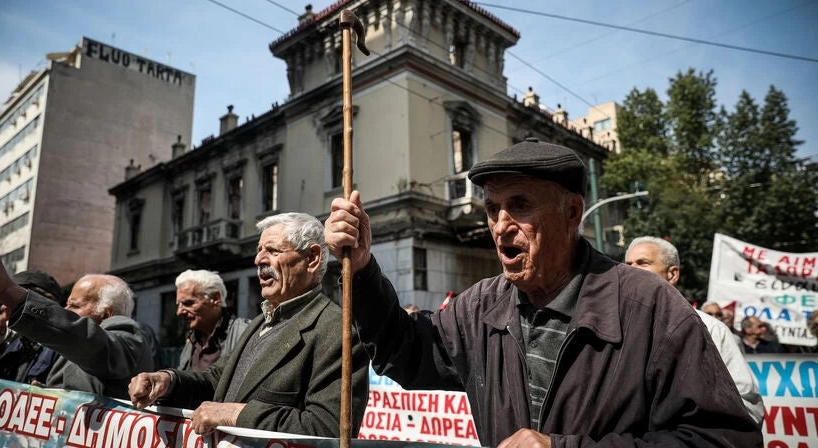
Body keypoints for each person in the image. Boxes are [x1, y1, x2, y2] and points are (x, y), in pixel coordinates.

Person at [325, 138, 761, 447]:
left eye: (519, 205)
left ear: (571, 212)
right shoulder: (480, 306)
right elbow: (405, 352)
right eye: (493, 209)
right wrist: (362, 269)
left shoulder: (648, 306)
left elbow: (722, 438)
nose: (500, 226)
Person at [128, 213, 369, 437]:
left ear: (312, 258)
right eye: (259, 250)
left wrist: (234, 414)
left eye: (273, 251)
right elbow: (216, 380)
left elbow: (328, 428)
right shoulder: (259, 323)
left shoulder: (337, 330)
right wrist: (167, 381)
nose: (258, 259)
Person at [625, 236, 764, 426]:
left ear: (672, 274)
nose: (631, 269)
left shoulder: (712, 330)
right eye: (627, 263)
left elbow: (745, 407)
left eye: (643, 263)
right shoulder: (612, 328)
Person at [0, 255, 154, 399]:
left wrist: (8, 291)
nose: (65, 311)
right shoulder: (65, 348)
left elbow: (92, 343)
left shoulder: (129, 337)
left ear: (106, 314)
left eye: (75, 306)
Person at [0, 271, 62, 383]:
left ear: (47, 301)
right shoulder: (11, 343)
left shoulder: (64, 351)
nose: (3, 307)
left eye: (11, 299)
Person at [173, 269, 249, 371]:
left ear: (215, 298)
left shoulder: (245, 334)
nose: (179, 312)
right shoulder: (191, 341)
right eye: (179, 305)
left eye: (188, 303)